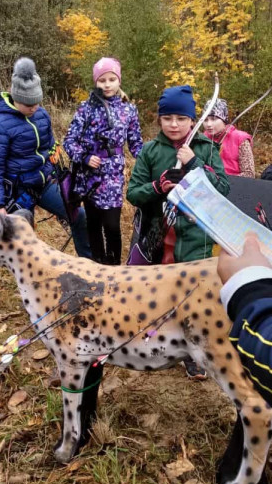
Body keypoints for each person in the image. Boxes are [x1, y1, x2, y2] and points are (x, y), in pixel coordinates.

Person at [152, 233, 272, 484]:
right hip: (191, 277)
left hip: (217, 284)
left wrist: (250, 286)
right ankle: (240, 472)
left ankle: (244, 476)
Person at [127, 84, 230, 380]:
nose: (174, 124)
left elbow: (223, 188)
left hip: (198, 236)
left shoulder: (206, 148)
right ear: (159, 119)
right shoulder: (150, 151)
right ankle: (160, 340)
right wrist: (157, 187)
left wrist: (194, 164)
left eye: (181, 119)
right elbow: (133, 193)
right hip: (160, 235)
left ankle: (193, 353)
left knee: (195, 296)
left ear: (192, 120)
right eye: (168, 118)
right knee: (162, 292)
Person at [0, 57, 91, 259]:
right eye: (28, 104)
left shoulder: (42, 114)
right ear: (16, 98)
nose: (33, 108)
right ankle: (28, 274)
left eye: (36, 102)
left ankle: (89, 264)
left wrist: (56, 165)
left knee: (79, 216)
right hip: (19, 191)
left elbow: (49, 145)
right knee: (23, 243)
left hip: (45, 183)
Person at [63, 57, 143, 265]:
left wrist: (153, 160)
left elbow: (136, 144)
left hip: (113, 176)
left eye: (111, 79)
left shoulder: (128, 110)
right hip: (89, 178)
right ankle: (97, 264)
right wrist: (84, 157)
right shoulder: (86, 108)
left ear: (119, 80)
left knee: (112, 226)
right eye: (102, 80)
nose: (107, 84)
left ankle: (114, 266)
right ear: (96, 81)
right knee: (94, 224)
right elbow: (69, 140)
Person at [203, 98, 255, 177]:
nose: (208, 124)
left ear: (224, 120)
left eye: (213, 119)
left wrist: (222, 180)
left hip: (234, 183)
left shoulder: (240, 139)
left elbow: (249, 174)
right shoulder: (202, 138)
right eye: (205, 120)